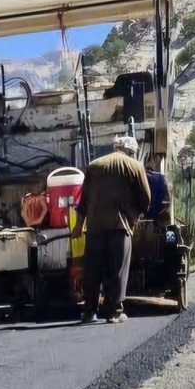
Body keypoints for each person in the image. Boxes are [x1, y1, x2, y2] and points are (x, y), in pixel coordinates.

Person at [70, 135, 151, 324]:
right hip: (119, 226)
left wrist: (78, 227)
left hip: (94, 227)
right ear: (131, 151)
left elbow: (84, 202)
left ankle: (89, 312)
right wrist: (134, 218)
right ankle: (115, 312)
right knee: (118, 270)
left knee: (93, 270)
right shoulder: (134, 166)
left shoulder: (94, 166)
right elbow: (146, 198)